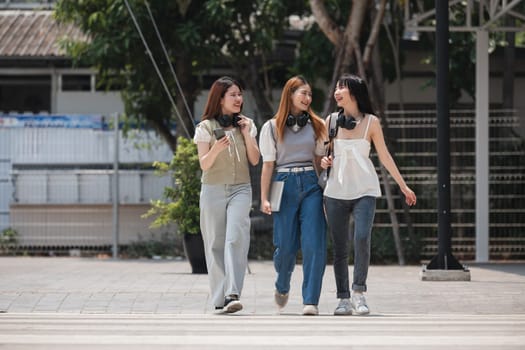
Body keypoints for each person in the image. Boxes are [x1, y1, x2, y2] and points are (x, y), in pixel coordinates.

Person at [320, 73, 417, 316]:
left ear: (354, 92)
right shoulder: (330, 121)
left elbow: (384, 156)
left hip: (365, 190)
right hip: (335, 192)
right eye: (337, 87)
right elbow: (320, 152)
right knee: (340, 247)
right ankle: (343, 299)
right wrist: (323, 160)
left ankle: (359, 293)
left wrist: (403, 186)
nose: (337, 91)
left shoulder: (372, 122)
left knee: (362, 238)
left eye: (342, 87)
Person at [259, 76, 327, 316]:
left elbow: (319, 161)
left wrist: (325, 165)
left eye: (310, 94)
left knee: (314, 244)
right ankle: (282, 282)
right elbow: (268, 165)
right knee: (285, 247)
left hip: (310, 184)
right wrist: (264, 197)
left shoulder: (318, 125)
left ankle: (311, 300)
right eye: (303, 93)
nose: (308, 98)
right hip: (283, 183)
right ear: (290, 95)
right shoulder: (271, 126)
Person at [193, 76, 260, 313]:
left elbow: (254, 159)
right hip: (212, 189)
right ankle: (219, 297)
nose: (238, 99)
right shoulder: (205, 128)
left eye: (240, 94)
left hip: (241, 188)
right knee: (215, 244)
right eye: (233, 95)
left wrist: (248, 135)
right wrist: (216, 149)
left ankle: (232, 293)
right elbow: (204, 164)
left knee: (235, 238)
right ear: (220, 99)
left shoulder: (247, 125)